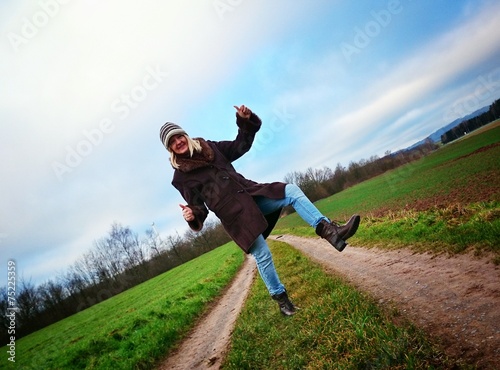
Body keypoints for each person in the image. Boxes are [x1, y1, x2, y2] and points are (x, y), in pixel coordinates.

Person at [159, 105, 360, 316]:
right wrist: (192, 214)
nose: (177, 142)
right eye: (171, 142)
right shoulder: (181, 177)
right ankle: (282, 301)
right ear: (170, 149)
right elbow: (198, 206)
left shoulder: (209, 148)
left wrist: (245, 122)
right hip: (235, 215)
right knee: (263, 254)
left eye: (178, 136)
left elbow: (240, 146)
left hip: (251, 193)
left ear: (184, 135)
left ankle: (329, 231)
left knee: (290, 190)